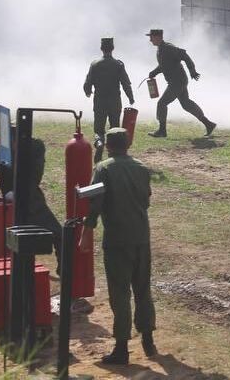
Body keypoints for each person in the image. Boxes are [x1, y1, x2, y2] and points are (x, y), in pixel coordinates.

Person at [84, 127, 156, 365]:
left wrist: (86, 232)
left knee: (120, 293)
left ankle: (122, 348)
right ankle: (148, 339)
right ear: (128, 144)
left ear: (107, 145)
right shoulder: (142, 168)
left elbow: (94, 204)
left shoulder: (103, 168)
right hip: (141, 236)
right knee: (143, 289)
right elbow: (146, 200)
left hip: (117, 239)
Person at [144, 29, 215, 138]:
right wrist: (154, 72)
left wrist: (192, 71)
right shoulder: (160, 49)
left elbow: (184, 55)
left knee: (162, 103)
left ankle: (162, 131)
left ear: (158, 37)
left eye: (151, 37)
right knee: (186, 104)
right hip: (177, 81)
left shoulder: (168, 48)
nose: (150, 40)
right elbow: (164, 65)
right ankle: (208, 124)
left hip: (177, 82)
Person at [84, 37, 136, 163]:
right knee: (114, 129)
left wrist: (88, 92)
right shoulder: (118, 64)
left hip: (100, 101)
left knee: (99, 129)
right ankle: (114, 155)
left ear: (101, 49)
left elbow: (87, 83)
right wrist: (130, 97)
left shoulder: (95, 64)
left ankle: (100, 144)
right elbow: (125, 83)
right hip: (115, 102)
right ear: (112, 49)